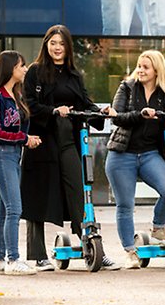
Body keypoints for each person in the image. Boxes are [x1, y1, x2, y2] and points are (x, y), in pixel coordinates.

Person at [21, 25, 118, 271]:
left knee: (79, 192)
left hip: (68, 141)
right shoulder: (34, 72)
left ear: (67, 48)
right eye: (52, 43)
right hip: (42, 142)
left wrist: (101, 112)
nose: (56, 47)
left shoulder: (74, 74)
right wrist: (54, 111)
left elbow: (85, 103)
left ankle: (93, 247)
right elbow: (30, 104)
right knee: (38, 198)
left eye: (61, 43)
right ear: (46, 45)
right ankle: (38, 256)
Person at [105, 50, 165, 269]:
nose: (140, 70)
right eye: (139, 65)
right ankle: (130, 251)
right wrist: (141, 114)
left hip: (148, 154)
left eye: (145, 67)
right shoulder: (127, 88)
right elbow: (116, 118)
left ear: (157, 70)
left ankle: (158, 227)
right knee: (125, 205)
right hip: (122, 154)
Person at [0, 50, 41, 276]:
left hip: (13, 156)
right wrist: (24, 139)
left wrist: (28, 139)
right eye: (22, 66)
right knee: (14, 209)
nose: (25, 69)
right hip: (1, 156)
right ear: (11, 69)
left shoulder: (17, 97)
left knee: (3, 212)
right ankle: (13, 260)